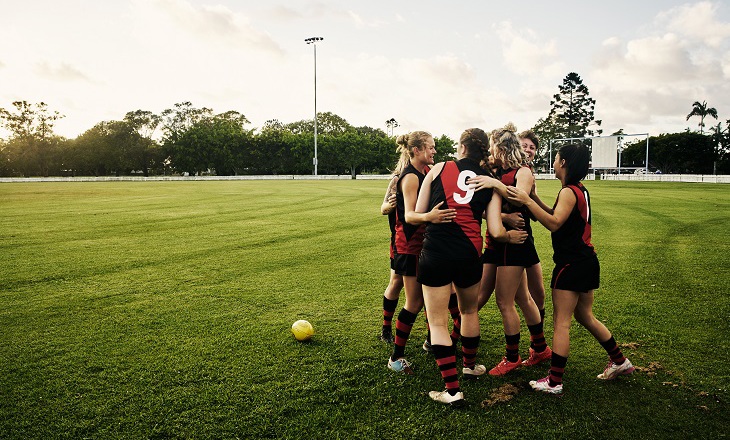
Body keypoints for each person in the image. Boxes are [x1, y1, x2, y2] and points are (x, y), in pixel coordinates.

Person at [506, 143, 635, 394]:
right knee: (586, 316)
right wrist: (533, 198)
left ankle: (554, 381)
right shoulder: (579, 190)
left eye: (555, 159)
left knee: (562, 323)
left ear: (563, 163)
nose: (553, 163)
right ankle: (620, 361)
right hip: (586, 261)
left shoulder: (568, 191)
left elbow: (554, 223)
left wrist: (525, 201)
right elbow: (558, 215)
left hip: (571, 264)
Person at [406, 128, 508, 406]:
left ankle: (452, 390)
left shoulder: (439, 167)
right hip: (470, 252)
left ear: (462, 147)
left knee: (437, 321)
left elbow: (413, 215)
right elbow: (497, 231)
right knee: (469, 310)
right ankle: (470, 365)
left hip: (436, 251)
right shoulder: (490, 181)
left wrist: (430, 216)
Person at [481, 123, 551, 376]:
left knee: (504, 301)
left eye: (492, 146)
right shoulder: (499, 170)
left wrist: (494, 184)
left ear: (500, 147)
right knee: (522, 298)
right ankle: (541, 349)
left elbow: (519, 197)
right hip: (503, 240)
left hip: (515, 241)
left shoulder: (523, 172)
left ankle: (512, 357)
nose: (490, 150)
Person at [387, 131, 436, 374]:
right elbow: (412, 215)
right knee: (414, 301)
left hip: (423, 245)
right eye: (430, 147)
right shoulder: (410, 178)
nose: (434, 151)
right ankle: (396, 357)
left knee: (431, 299)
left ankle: (431, 341)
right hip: (409, 246)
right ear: (416, 150)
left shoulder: (426, 172)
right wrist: (433, 216)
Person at [378, 149, 409, 343]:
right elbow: (383, 208)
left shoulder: (427, 174)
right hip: (400, 240)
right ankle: (386, 328)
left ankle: (432, 335)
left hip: (424, 239)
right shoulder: (397, 180)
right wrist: (392, 204)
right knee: (396, 282)